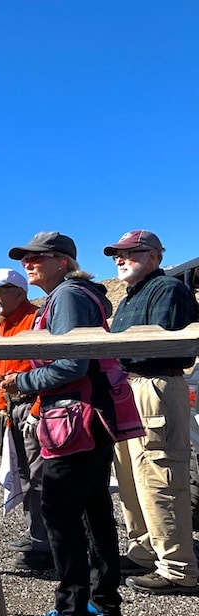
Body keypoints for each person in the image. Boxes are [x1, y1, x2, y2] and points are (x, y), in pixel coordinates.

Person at [0, 231, 124, 616]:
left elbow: (72, 363)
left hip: (74, 419)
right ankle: (101, 600)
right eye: (27, 258)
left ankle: (72, 615)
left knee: (60, 512)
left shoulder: (68, 296)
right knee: (92, 508)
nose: (29, 263)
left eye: (40, 257)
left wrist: (23, 381)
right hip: (89, 417)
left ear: (64, 261)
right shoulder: (77, 294)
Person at [103, 229, 199, 595]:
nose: (119, 258)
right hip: (131, 387)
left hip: (154, 386)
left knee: (159, 475)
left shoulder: (168, 290)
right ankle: (145, 552)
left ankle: (177, 568)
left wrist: (111, 356)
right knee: (130, 476)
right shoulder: (130, 298)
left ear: (155, 257)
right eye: (116, 254)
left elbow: (156, 348)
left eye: (130, 252)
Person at [0, 268, 52, 572]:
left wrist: (37, 410)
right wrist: (1, 406)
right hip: (13, 409)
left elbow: (47, 369)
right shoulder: (3, 327)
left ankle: (46, 545)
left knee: (40, 477)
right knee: (23, 475)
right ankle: (36, 535)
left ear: (20, 292)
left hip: (34, 407)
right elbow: (5, 372)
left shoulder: (35, 320)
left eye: (0, 290)